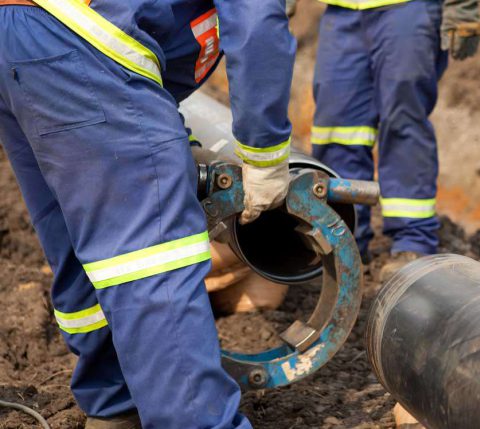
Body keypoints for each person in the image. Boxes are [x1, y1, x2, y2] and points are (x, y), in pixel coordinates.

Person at [0, 0, 295, 427]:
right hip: (80, 36)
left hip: (18, 33)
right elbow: (256, 25)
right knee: (153, 260)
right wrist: (265, 156)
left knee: (78, 242)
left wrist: (167, 138)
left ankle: (116, 406)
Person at [297, 0, 480, 279]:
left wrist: (462, 7)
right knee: (336, 128)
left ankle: (413, 243)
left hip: (408, 9)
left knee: (403, 124)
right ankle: (343, 238)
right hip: (343, 11)